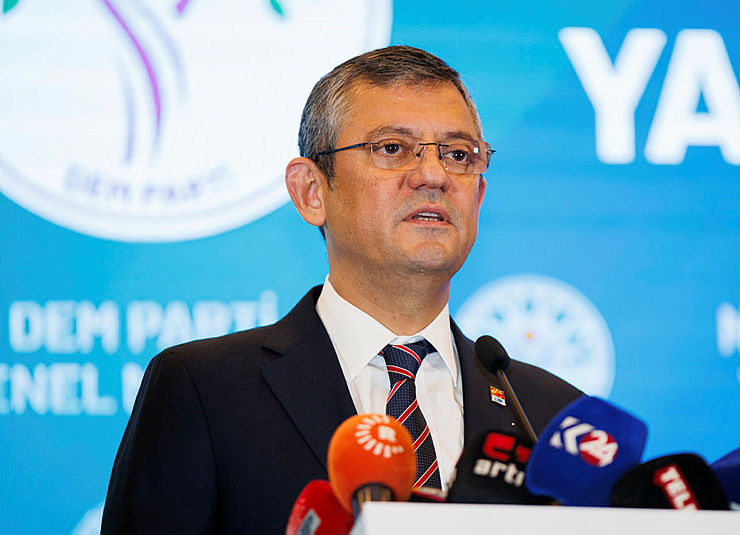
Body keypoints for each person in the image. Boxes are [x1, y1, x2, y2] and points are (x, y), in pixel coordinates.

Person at [101, 45, 582, 534]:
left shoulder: (551, 418)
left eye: (458, 155)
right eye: (392, 148)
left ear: (478, 195)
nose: (434, 176)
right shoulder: (205, 391)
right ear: (312, 192)